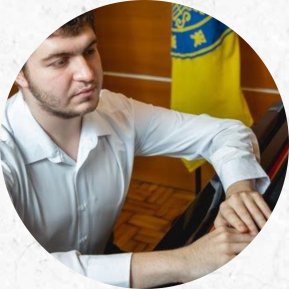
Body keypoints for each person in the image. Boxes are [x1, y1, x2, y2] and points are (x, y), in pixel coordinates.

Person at [0, 11, 272, 288]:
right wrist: (186, 261)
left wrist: (240, 192)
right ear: (18, 71)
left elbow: (226, 132)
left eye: (90, 50)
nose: (87, 74)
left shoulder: (116, 111)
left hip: (106, 260)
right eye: (60, 61)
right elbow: (19, 269)